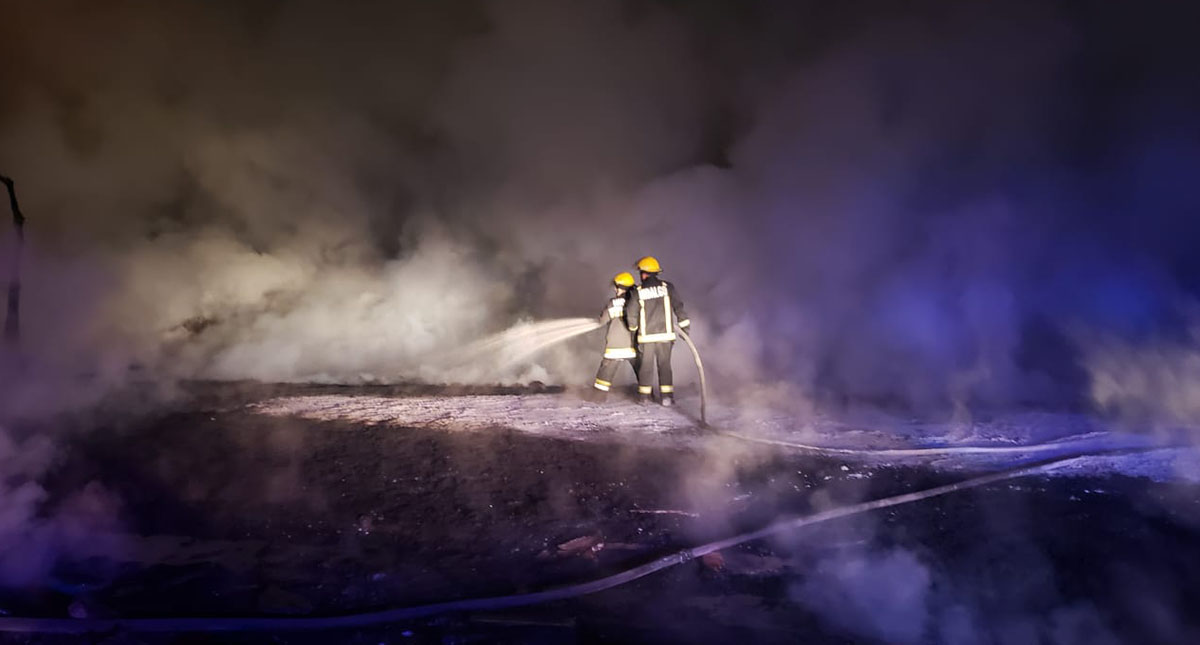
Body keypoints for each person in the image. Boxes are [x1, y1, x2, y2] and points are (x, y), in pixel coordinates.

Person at [624, 256, 690, 405]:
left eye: (641, 272)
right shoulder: (668, 288)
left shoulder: (638, 291)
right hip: (665, 336)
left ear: (645, 274)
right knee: (665, 366)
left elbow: (631, 313)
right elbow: (679, 307)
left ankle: (644, 397)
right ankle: (667, 397)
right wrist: (685, 327)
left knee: (646, 367)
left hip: (646, 338)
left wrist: (633, 329)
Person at [590, 271, 639, 401]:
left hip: (615, 346)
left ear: (621, 287)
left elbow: (602, 321)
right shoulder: (637, 303)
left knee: (604, 374)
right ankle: (647, 396)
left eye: (616, 286)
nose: (614, 289)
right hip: (633, 346)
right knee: (642, 371)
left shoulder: (613, 303)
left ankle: (598, 397)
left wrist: (599, 317)